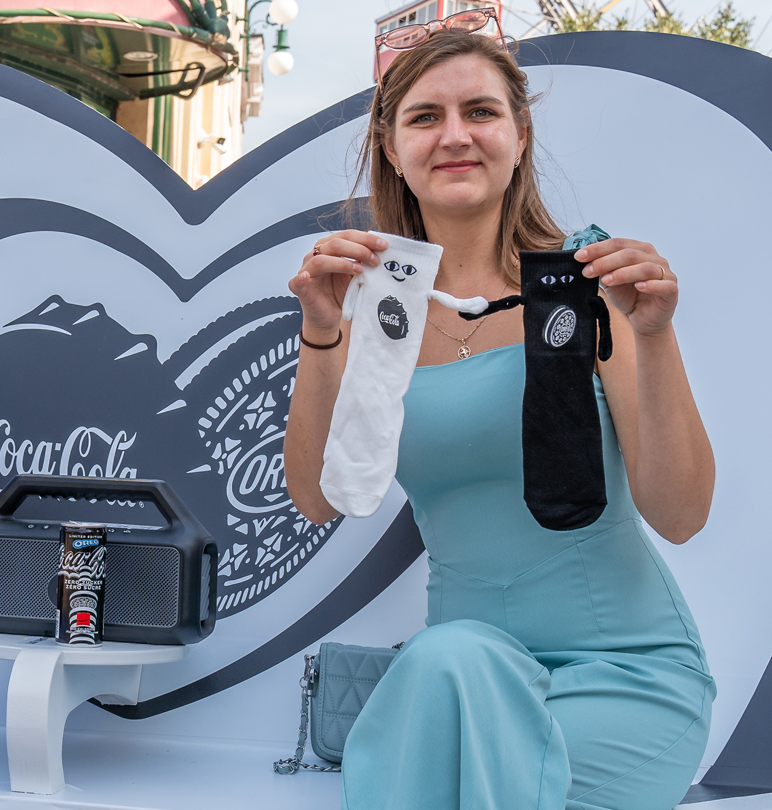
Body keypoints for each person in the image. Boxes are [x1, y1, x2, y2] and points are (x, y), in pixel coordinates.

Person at [283, 26, 715, 810]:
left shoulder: (584, 285)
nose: (455, 136)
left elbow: (681, 515)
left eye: (480, 111)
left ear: (519, 136)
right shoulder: (378, 308)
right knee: (451, 662)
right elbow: (317, 500)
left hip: (623, 679)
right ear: (390, 144)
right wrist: (321, 331)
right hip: (459, 678)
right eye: (424, 117)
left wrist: (653, 336)